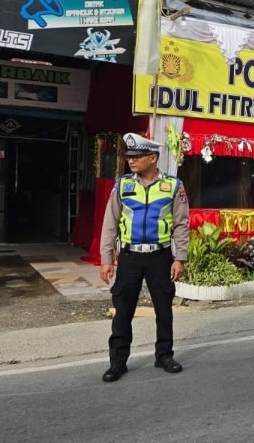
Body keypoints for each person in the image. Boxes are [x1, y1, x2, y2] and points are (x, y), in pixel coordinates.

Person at [99, 133, 190, 382]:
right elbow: (110, 224)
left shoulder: (173, 186)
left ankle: (164, 355)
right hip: (129, 257)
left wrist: (179, 258)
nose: (131, 161)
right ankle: (117, 362)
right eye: (129, 156)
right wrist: (106, 259)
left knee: (164, 309)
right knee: (123, 311)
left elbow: (182, 224)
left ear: (153, 158)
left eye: (137, 156)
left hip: (160, 257)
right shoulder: (123, 185)